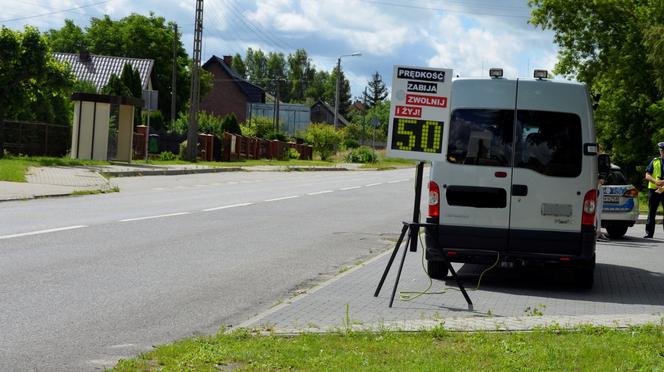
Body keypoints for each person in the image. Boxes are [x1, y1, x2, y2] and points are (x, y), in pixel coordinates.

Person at [643, 142, 664, 238]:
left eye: (663, 151)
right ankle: (649, 233)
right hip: (654, 189)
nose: (662, 152)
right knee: (652, 212)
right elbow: (647, 175)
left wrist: (662, 182)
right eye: (661, 151)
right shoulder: (655, 161)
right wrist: (656, 181)